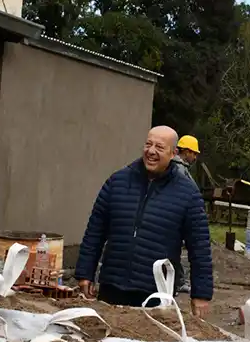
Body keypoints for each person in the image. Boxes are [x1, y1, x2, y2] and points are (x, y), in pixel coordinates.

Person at [75, 126, 213, 316]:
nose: (151, 151)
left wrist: (201, 294)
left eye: (159, 147)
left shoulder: (188, 194)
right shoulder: (118, 182)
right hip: (112, 288)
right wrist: (85, 273)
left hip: (155, 294)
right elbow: (95, 231)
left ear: (173, 153)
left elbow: (200, 248)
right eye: (148, 144)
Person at [170, 135, 201, 293]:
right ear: (186, 151)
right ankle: (177, 283)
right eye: (193, 153)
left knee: (174, 251)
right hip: (176, 219)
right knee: (172, 251)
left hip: (175, 218)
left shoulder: (177, 167)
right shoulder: (178, 170)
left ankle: (177, 281)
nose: (195, 157)